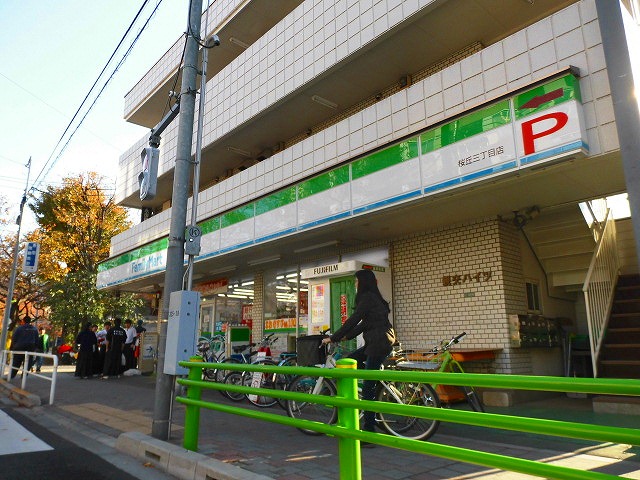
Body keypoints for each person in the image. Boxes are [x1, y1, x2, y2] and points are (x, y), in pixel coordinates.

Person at [321, 269, 396, 440]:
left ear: (363, 282)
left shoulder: (368, 297)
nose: (355, 285)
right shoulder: (373, 297)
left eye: (356, 282)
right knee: (350, 361)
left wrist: (334, 337)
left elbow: (354, 319)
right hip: (378, 341)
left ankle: (369, 431)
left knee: (368, 386)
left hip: (378, 343)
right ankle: (367, 404)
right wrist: (345, 336)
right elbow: (364, 324)